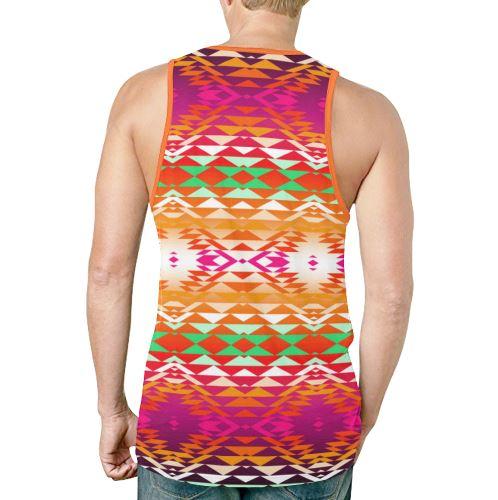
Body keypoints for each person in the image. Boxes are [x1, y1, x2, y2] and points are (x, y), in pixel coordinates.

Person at [87, 0, 413, 498]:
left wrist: (112, 409)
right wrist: (359, 420)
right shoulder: (369, 114)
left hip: (182, 421)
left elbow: (108, 273)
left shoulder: (146, 96)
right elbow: (391, 296)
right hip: (311, 424)